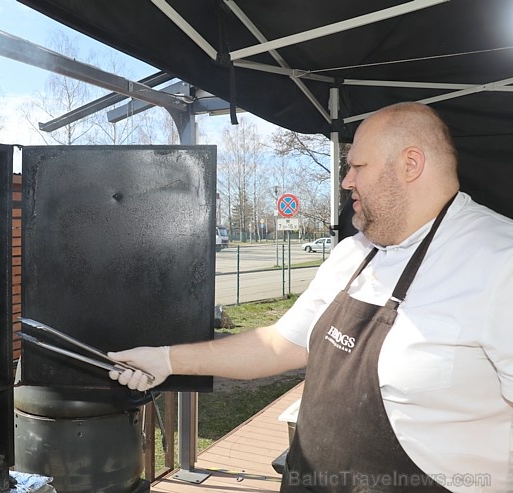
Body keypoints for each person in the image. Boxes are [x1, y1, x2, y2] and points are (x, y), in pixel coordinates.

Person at [107, 102, 513, 493]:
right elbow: (279, 344)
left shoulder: (499, 262)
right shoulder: (354, 252)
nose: (346, 181)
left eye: (357, 166)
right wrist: (166, 359)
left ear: (410, 164)